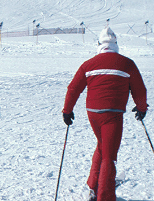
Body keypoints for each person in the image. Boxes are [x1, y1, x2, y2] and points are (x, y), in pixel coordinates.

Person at [62, 27, 147, 201]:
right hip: (113, 115)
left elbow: (73, 88)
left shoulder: (89, 64)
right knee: (110, 156)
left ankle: (93, 185)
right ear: (115, 45)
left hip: (93, 113)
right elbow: (139, 89)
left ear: (99, 45)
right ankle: (105, 196)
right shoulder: (127, 63)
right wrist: (142, 108)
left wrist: (67, 111)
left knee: (102, 146)